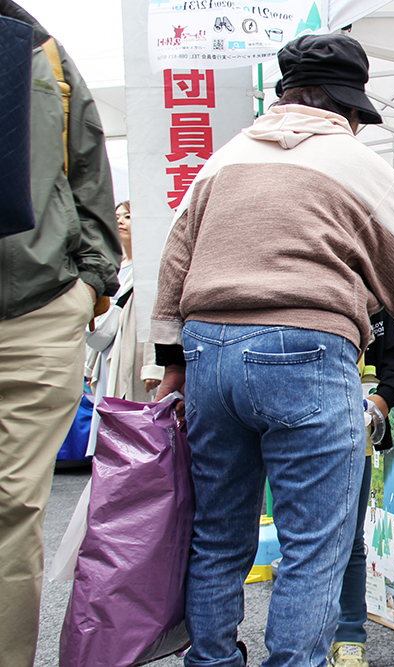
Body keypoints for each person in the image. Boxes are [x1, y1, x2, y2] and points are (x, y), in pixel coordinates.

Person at [151, 33, 394, 667]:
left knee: (217, 536)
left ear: (284, 96)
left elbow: (174, 260)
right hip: (305, 349)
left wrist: (172, 363)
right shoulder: (354, 162)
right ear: (349, 110)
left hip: (209, 351)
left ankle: (211, 661)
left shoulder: (223, 159)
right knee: (314, 545)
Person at [0, 2, 121, 665]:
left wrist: (91, 279)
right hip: (43, 293)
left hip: (35, 303)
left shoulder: (35, 45)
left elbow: (84, 161)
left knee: (12, 509)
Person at [330, 309, 394, 667]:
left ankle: (349, 638)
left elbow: (393, 373)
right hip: (300, 433)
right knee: (304, 541)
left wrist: (374, 408)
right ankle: (308, 635)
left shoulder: (377, 311)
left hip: (354, 437)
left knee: (351, 540)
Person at [85, 201, 164, 428]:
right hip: (107, 349)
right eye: (117, 216)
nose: (119, 221)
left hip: (133, 349)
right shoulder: (113, 267)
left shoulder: (147, 267)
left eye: (127, 216)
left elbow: (156, 310)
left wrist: (153, 364)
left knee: (134, 416)